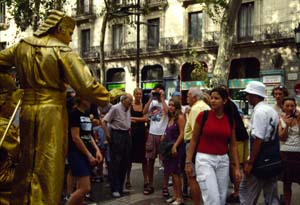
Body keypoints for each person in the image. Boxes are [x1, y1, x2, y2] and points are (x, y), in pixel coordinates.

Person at [0, 10, 110, 204]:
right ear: (59, 29)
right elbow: (86, 85)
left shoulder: (22, 46)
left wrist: (9, 87)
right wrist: (106, 97)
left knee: (27, 162)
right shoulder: (62, 51)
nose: (69, 39)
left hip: (26, 110)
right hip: (52, 113)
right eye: (69, 33)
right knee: (50, 165)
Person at [185, 87, 240, 205]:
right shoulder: (203, 116)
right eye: (212, 98)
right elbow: (193, 140)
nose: (213, 101)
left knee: (221, 198)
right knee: (212, 199)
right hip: (205, 159)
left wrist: (236, 167)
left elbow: (233, 146)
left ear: (224, 101)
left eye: (217, 98)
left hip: (223, 161)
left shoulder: (230, 120)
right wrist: (188, 161)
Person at [239, 81, 280, 205]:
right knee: (271, 195)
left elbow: (258, 139)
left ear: (254, 95)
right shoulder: (271, 110)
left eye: (248, 94)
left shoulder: (259, 112)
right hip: (272, 158)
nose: (247, 97)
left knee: (246, 193)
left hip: (260, 159)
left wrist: (250, 162)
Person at [67, 96, 103, 205]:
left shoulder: (86, 114)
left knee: (81, 188)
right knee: (85, 188)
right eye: (88, 98)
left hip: (86, 152)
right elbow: (75, 137)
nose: (90, 101)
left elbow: (89, 135)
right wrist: (88, 155)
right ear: (81, 99)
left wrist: (97, 150)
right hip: (76, 153)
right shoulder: (74, 114)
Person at [102, 93, 133, 198]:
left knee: (125, 161)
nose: (130, 103)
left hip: (126, 135)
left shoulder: (127, 108)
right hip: (117, 134)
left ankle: (120, 186)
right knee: (116, 162)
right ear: (124, 100)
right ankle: (114, 188)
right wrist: (107, 135)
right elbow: (104, 121)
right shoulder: (115, 108)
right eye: (129, 101)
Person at [183, 87, 210, 205]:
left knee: (192, 177)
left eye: (188, 95)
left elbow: (195, 133)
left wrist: (189, 158)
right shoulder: (206, 106)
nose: (186, 98)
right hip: (204, 145)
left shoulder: (195, 109)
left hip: (194, 146)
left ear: (194, 97)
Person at [143, 84, 169, 195]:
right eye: (156, 92)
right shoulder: (152, 103)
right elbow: (144, 112)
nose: (157, 94)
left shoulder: (167, 102)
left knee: (165, 161)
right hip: (152, 134)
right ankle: (150, 184)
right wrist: (150, 98)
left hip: (163, 134)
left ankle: (165, 186)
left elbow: (168, 112)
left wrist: (162, 99)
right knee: (150, 161)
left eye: (159, 92)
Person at [0, 74, 21, 205]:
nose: (15, 107)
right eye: (12, 103)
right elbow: (19, 155)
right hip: (5, 182)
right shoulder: (4, 127)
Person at [163, 98, 186, 205]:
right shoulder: (170, 117)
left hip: (176, 148)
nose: (170, 107)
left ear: (176, 106)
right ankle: (175, 195)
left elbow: (182, 133)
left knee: (176, 173)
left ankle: (179, 198)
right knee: (171, 172)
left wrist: (175, 146)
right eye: (169, 105)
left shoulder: (180, 117)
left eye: (173, 105)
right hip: (168, 148)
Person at [278, 97, 300, 205]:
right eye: (287, 106)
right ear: (283, 107)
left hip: (298, 154)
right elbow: (281, 137)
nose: (290, 108)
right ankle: (287, 202)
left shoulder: (299, 118)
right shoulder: (281, 120)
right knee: (287, 182)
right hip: (285, 154)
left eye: (292, 106)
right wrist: (286, 125)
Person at [125, 88, 148, 190]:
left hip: (142, 134)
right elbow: (127, 118)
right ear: (134, 95)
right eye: (137, 94)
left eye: (140, 94)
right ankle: (128, 179)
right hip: (132, 133)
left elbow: (146, 118)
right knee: (129, 158)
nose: (139, 96)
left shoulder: (144, 106)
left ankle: (146, 180)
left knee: (144, 158)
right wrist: (139, 119)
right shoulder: (131, 106)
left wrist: (134, 119)